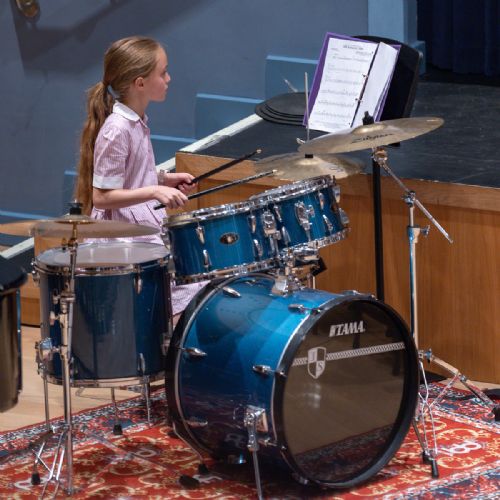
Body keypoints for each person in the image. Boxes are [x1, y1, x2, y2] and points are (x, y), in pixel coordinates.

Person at [75, 35, 206, 319]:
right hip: (120, 236)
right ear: (140, 83)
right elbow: (102, 197)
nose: (169, 79)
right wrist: (154, 192)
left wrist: (164, 179)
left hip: (140, 224)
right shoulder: (117, 129)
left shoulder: (137, 121)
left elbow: (130, 176)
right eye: (163, 72)